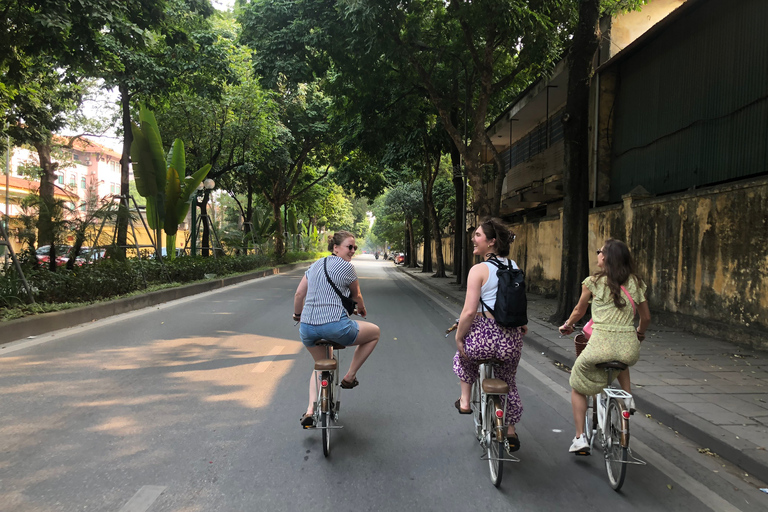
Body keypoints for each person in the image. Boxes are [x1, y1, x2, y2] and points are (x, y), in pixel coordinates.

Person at [558, 238, 651, 454]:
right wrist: (639, 335)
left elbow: (579, 311)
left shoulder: (592, 282)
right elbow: (645, 318)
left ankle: (580, 437)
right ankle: (627, 398)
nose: (598, 254)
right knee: (621, 360)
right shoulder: (636, 283)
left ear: (606, 257)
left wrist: (568, 325)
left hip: (599, 345)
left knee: (577, 384)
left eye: (600, 251)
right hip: (628, 346)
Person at [453, 218, 528, 453]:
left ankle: (465, 401)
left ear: (491, 242)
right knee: (509, 381)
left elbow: (468, 312)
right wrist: (522, 325)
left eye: (477, 235)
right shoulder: (514, 267)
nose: (473, 239)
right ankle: (511, 431)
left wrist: (459, 337)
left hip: (483, 337)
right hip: (510, 340)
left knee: (464, 358)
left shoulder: (478, 270)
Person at [293, 231, 381, 428]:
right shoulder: (347, 267)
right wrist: (362, 309)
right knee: (374, 332)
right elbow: (356, 294)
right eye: (349, 246)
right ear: (335, 248)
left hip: (307, 329)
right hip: (336, 327)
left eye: (354, 248)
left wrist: (298, 316)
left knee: (318, 365)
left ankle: (309, 411)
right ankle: (349, 376)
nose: (352, 250)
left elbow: (299, 294)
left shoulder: (314, 265)